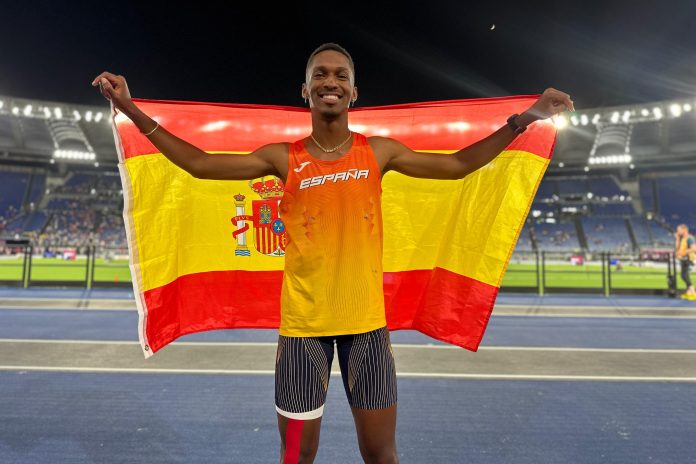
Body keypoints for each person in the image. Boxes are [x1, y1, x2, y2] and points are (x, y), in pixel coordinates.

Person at [92, 42, 574, 464]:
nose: (330, 82)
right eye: (319, 75)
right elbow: (198, 164)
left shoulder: (378, 152)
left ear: (353, 92)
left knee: (380, 455)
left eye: (340, 75)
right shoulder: (283, 157)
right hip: (304, 337)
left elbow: (458, 165)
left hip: (368, 332)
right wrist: (132, 110)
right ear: (304, 90)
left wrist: (525, 119)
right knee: (296, 455)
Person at [675, 224, 696, 298]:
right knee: (684, 275)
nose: (677, 231)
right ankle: (689, 292)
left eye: (679, 230)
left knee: (684, 275)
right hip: (683, 259)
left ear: (684, 230)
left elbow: (694, 248)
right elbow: (677, 248)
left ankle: (693, 292)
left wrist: (684, 252)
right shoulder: (682, 238)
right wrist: (677, 238)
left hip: (688, 259)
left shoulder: (690, 238)